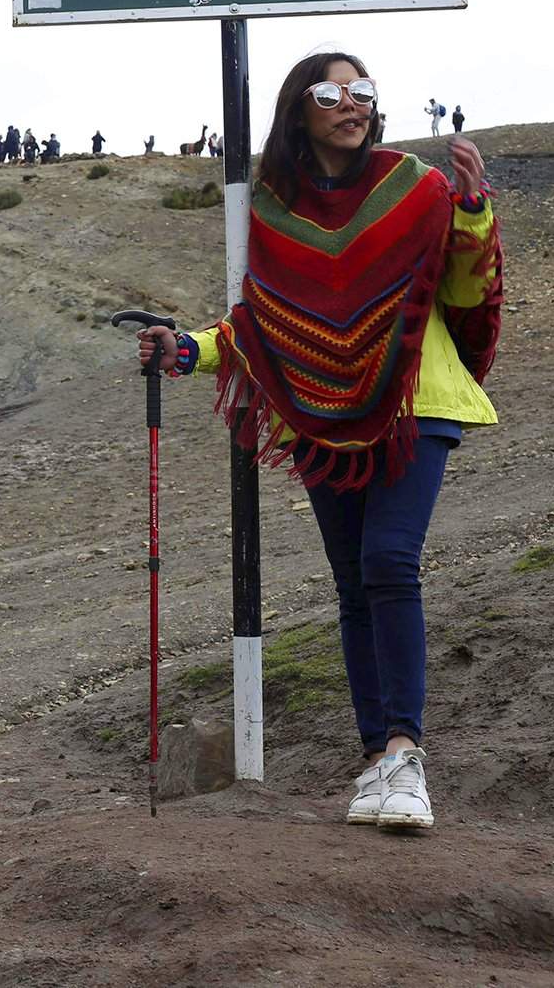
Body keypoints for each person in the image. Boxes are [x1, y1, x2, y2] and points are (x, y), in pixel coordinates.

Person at [135, 51, 502, 832]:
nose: (352, 103)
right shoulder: (275, 210)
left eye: (363, 90)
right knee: (350, 584)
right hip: (320, 418)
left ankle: (406, 754)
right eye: (332, 92)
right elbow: (261, 324)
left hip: (416, 400)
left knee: (388, 560)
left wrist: (472, 209)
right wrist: (188, 349)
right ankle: (376, 762)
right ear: (299, 108)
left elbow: (468, 293)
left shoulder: (417, 186)